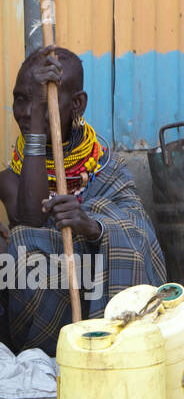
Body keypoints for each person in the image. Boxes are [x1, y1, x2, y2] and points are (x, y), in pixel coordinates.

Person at [0, 47, 166, 355]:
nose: (24, 111)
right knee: (21, 244)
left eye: (40, 102)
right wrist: (39, 120)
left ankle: (114, 347)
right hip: (46, 328)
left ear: (77, 104)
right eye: (20, 99)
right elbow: (31, 222)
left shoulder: (108, 168)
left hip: (101, 300)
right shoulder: (11, 179)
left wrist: (92, 227)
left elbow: (139, 235)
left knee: (119, 225)